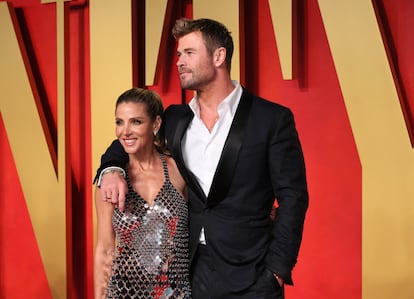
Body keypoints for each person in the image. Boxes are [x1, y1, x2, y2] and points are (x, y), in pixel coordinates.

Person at [95, 18, 308, 299]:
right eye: (178, 55)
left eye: (189, 53)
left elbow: (293, 197)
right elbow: (131, 136)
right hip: (191, 273)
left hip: (254, 272)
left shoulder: (271, 119)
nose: (180, 62)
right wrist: (111, 168)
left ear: (219, 56)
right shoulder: (175, 119)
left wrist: (277, 269)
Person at [93, 88, 191, 298]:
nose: (124, 131)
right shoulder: (110, 181)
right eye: (119, 122)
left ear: (155, 124)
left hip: (175, 293)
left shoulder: (178, 170)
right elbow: (105, 250)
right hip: (123, 293)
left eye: (136, 122)